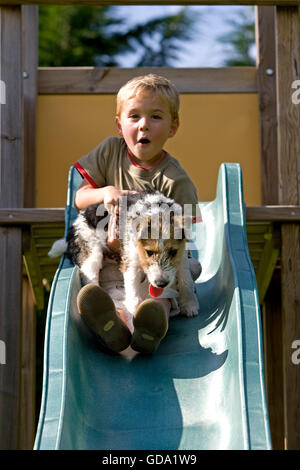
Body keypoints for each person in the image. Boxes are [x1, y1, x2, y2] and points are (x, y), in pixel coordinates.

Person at [73, 74, 202, 354]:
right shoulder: (109, 151)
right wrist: (105, 191)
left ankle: (151, 323)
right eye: (134, 116)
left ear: (173, 127)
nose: (143, 125)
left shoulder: (176, 180)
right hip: (113, 261)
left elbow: (184, 240)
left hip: (159, 263)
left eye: (155, 117)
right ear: (120, 125)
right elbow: (80, 198)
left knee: (176, 278)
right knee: (110, 290)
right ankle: (115, 326)